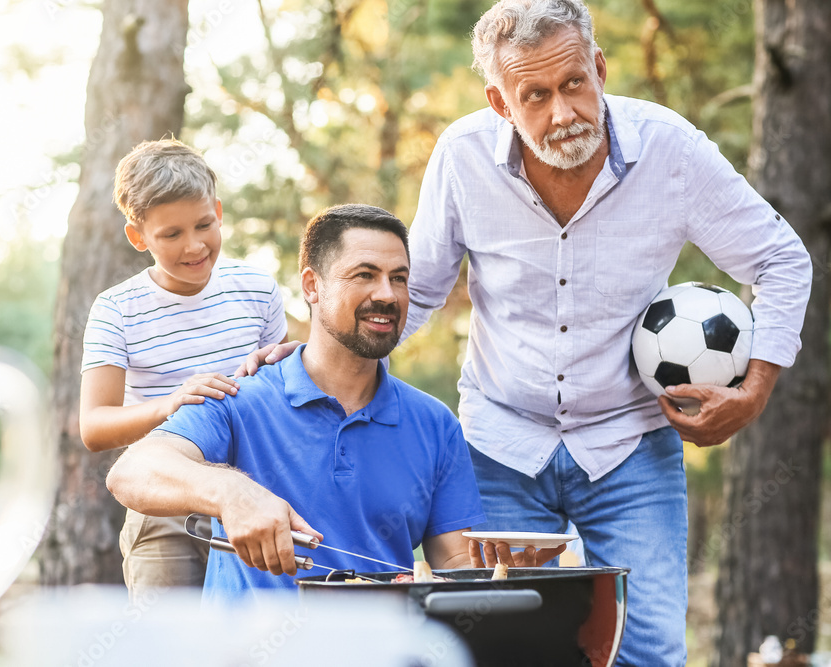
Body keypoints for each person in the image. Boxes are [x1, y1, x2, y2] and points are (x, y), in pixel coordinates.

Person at [241, 2, 812, 664]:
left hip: (628, 441)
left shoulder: (671, 150)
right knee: (503, 644)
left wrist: (758, 386)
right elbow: (417, 290)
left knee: (649, 647)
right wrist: (320, 355)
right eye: (534, 95)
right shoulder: (462, 155)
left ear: (599, 67)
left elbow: (780, 259)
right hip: (499, 444)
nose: (563, 111)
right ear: (500, 102)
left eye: (574, 82)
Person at [105, 204, 564, 598]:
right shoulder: (240, 400)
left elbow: (454, 564)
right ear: (311, 286)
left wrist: (502, 570)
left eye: (398, 278)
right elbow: (131, 473)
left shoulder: (435, 425)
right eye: (365, 275)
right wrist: (231, 492)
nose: (387, 294)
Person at [79, 139, 289, 595]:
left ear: (217, 210)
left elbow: (283, 399)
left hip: (252, 496)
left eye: (203, 225)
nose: (194, 246)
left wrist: (296, 361)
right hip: (164, 506)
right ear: (139, 237)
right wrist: (171, 402)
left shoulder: (257, 289)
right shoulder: (117, 309)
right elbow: (95, 427)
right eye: (171, 235)